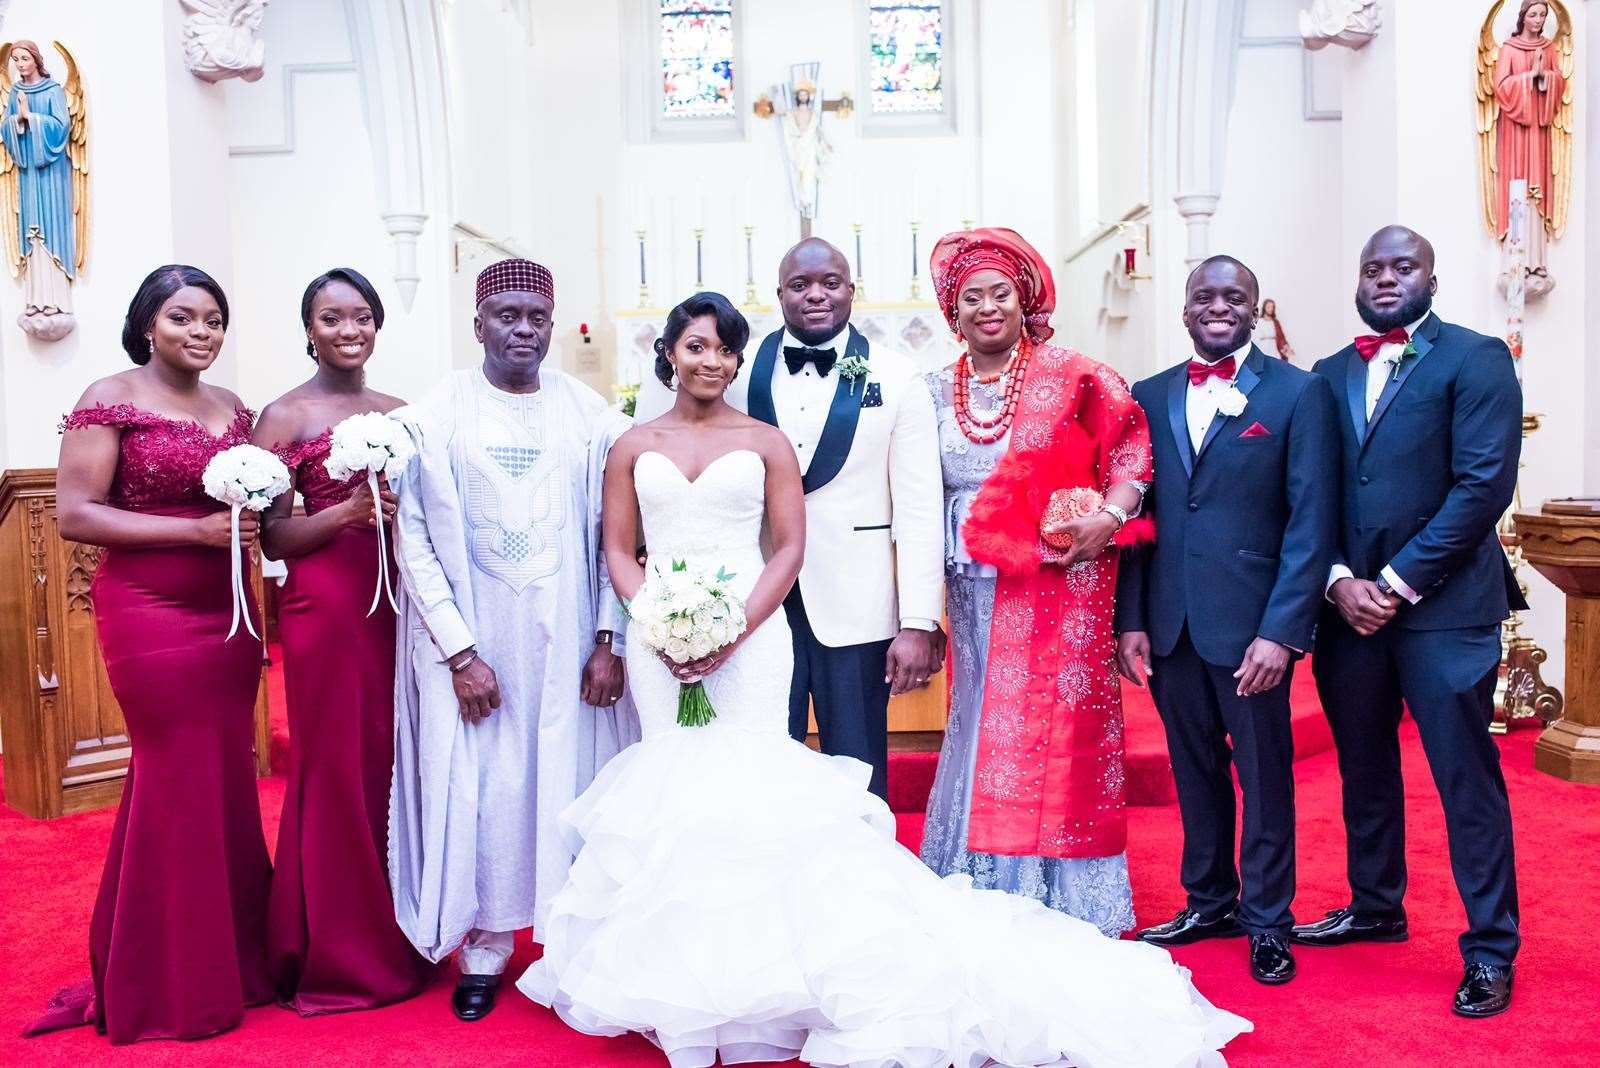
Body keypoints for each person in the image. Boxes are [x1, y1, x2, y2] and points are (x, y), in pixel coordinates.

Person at [516, 291, 1249, 1068]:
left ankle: (770, 972)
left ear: (736, 356)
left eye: (724, 349)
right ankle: (679, 977)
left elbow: (789, 547)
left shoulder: (768, 438)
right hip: (661, 641)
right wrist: (657, 619)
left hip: (753, 633)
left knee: (757, 798)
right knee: (675, 796)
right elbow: (619, 549)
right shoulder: (630, 444)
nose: (713, 361)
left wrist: (732, 628)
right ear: (668, 352)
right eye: (696, 347)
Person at [387, 258, 637, 1022]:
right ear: (478, 326)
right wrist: (460, 652)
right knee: (487, 787)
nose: (523, 330)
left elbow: (615, 535)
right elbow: (416, 539)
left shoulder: (589, 414)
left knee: (569, 782)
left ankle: (571, 949)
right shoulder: (436, 414)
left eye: (536, 318)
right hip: (477, 647)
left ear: (551, 327)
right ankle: (487, 948)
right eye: (507, 316)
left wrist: (609, 636)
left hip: (568, 642)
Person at [35, 265, 272, 1043]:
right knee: (176, 777)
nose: (199, 332)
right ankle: (166, 980)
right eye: (182, 317)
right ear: (146, 325)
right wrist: (192, 533)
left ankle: (233, 959)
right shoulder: (110, 396)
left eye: (212, 320)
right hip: (151, 611)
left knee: (225, 778)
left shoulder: (234, 409)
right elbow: (75, 514)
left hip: (229, 613)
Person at [1297, 226, 1524, 1018]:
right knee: (1363, 769)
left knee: (1465, 781)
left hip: (1445, 611)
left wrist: (1393, 583)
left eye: (1403, 266)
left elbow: (1482, 485)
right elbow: (1308, 493)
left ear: (1431, 275)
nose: (1386, 278)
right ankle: (1374, 904)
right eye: (1373, 267)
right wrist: (1334, 582)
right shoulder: (1324, 375)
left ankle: (1491, 948)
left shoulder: (1476, 358)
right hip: (1347, 613)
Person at [916, 227, 1153, 935]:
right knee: (981, 713)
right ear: (952, 313)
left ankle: (1062, 892)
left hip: (1059, 585)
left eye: (999, 294)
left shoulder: (1078, 376)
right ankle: (978, 875)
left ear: (1026, 300)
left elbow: (1133, 453)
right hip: (974, 584)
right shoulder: (931, 391)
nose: (986, 308)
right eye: (970, 298)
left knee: (1053, 727)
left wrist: (1108, 517)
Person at [1115, 255, 1340, 986]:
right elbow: (1139, 517)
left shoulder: (1298, 394)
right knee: (1194, 770)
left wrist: (1282, 631)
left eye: (1233, 296)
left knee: (1264, 775)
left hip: (1253, 629)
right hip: (1173, 623)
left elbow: (1311, 522)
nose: (1218, 306)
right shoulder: (1147, 396)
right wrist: (1133, 619)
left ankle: (1267, 918)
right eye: (1204, 297)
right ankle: (1208, 899)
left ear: (1255, 307)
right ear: (1185, 311)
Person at [252, 267, 434, 1014]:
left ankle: (400, 928)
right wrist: (345, 515)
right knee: (335, 766)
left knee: (393, 763)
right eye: (331, 318)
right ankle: (332, 951)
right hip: (327, 604)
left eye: (360, 316)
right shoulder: (283, 416)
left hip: (401, 602)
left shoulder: (400, 410)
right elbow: (270, 534)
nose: (348, 330)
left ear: (377, 325)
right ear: (309, 328)